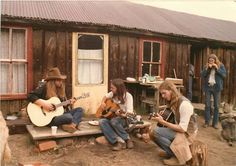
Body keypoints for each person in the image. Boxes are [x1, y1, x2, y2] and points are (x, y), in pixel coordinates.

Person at [151, 80, 196, 166]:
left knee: (156, 131)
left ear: (171, 90)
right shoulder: (174, 101)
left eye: (164, 93)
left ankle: (177, 157)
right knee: (152, 132)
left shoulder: (184, 104)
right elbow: (175, 118)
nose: (163, 96)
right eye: (161, 94)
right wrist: (163, 117)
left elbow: (183, 129)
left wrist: (163, 122)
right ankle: (171, 153)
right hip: (180, 129)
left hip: (188, 133)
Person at [28, 67, 84, 133]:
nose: (61, 82)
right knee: (68, 117)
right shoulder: (44, 88)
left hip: (58, 115)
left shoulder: (59, 91)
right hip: (48, 119)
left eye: (61, 80)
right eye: (59, 80)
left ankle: (72, 125)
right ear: (53, 81)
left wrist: (69, 103)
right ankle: (69, 123)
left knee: (80, 110)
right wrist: (44, 105)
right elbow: (30, 96)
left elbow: (60, 108)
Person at [98, 78, 134, 151]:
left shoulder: (128, 96)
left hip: (127, 118)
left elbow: (130, 113)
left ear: (119, 88)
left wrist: (122, 114)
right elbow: (105, 96)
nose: (111, 89)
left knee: (114, 121)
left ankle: (127, 139)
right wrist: (102, 102)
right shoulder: (113, 93)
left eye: (112, 88)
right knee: (102, 121)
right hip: (116, 117)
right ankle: (118, 141)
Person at [201, 54, 226, 129]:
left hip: (216, 88)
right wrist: (207, 69)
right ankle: (207, 122)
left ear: (215, 60)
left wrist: (217, 68)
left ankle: (215, 123)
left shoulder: (220, 65)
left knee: (217, 106)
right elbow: (202, 75)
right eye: (210, 60)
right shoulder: (206, 66)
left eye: (212, 60)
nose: (211, 61)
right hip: (208, 87)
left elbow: (224, 75)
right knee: (207, 105)